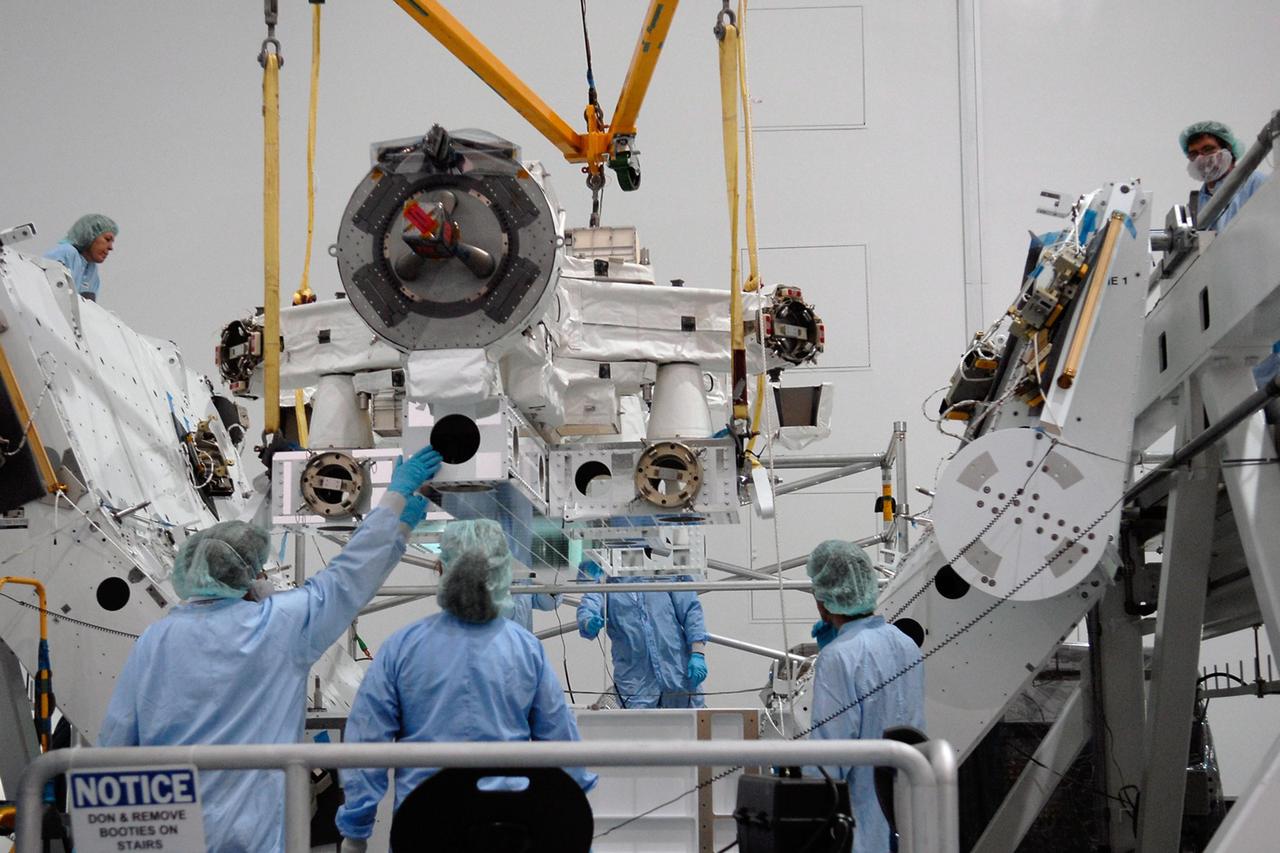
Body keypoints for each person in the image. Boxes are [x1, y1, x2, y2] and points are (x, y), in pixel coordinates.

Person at [98, 445, 443, 853]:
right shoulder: (279, 626)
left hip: (169, 836)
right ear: (248, 574)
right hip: (251, 838)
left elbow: (115, 742)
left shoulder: (155, 640)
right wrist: (395, 509)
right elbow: (349, 577)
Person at [336, 519, 596, 851]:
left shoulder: (402, 648)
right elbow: (561, 743)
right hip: (509, 827)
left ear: (442, 569)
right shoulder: (526, 649)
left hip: (425, 825)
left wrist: (356, 830)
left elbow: (366, 743)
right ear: (503, 572)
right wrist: (575, 823)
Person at [805, 540, 925, 853]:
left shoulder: (838, 657)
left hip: (862, 822)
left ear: (823, 601)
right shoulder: (906, 644)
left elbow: (830, 757)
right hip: (910, 809)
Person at [575, 562, 709, 709]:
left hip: (677, 673)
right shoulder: (606, 582)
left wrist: (698, 653)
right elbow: (589, 604)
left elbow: (691, 611)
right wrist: (588, 622)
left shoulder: (662, 573)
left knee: (689, 721)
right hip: (635, 682)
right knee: (639, 723)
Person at [1180, 120, 1267, 231]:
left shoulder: (1258, 184)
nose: (1201, 158)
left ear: (1228, 150)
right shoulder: (1197, 204)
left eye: (1208, 149)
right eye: (1194, 154)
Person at [42, 213, 118, 300]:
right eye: (107, 239)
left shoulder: (92, 273)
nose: (110, 247)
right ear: (89, 234)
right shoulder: (66, 253)